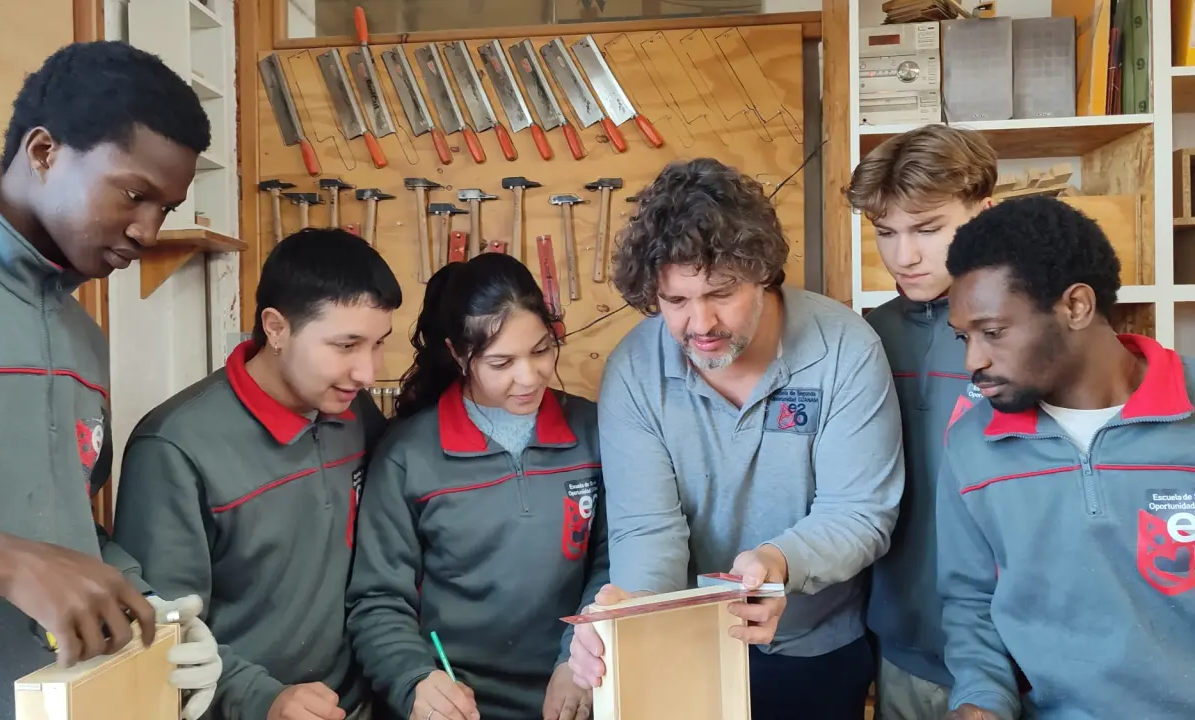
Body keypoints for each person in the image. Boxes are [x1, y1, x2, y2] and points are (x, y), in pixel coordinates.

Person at [0, 40, 220, 720]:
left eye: (166, 209)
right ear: (45, 151)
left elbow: (69, 528)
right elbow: (21, 555)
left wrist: (146, 605)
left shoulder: (83, 337)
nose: (148, 231)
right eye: (135, 195)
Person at [567, 157, 905, 719]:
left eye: (721, 293)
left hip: (814, 645)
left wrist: (780, 562)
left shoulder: (845, 348)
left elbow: (860, 511)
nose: (701, 325)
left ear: (763, 272)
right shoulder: (634, 369)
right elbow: (648, 526)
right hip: (685, 645)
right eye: (676, 302)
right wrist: (639, 612)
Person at [112, 228, 400, 720]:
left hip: (353, 704)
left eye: (378, 345)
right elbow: (162, 627)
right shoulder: (174, 447)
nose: (367, 372)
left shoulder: (354, 411)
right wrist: (261, 698)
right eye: (346, 345)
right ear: (276, 328)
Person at [937, 196, 1195, 720]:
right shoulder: (971, 445)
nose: (973, 360)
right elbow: (970, 602)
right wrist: (981, 700)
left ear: (1076, 306)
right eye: (964, 337)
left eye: (993, 332)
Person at [347, 253, 607, 720]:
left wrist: (580, 657)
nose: (528, 377)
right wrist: (414, 680)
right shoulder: (408, 455)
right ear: (458, 354)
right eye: (501, 362)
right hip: (455, 700)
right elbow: (378, 599)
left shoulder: (593, 431)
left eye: (541, 350)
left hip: (574, 687)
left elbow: (617, 559)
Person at [844, 125, 997, 720]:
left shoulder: (1036, 337)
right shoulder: (867, 337)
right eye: (886, 232)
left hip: (1021, 650)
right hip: (904, 646)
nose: (903, 256)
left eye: (928, 229)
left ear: (985, 214)